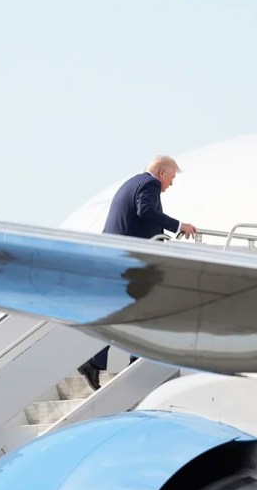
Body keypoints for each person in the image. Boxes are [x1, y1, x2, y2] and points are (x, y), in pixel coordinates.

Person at [77, 155, 197, 390]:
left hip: (113, 256)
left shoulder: (131, 182)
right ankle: (129, 361)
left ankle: (101, 361)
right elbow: (146, 211)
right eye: (171, 178)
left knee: (126, 313)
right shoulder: (149, 184)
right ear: (162, 172)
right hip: (128, 260)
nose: (170, 184)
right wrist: (178, 226)